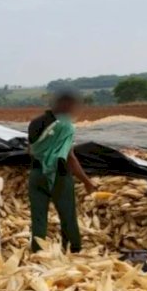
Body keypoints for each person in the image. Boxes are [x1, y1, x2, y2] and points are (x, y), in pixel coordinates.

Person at [28, 90, 96, 253]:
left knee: (38, 217)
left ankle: (37, 252)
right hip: (59, 174)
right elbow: (70, 157)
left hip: (37, 174)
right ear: (65, 105)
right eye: (74, 105)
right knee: (67, 214)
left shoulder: (35, 123)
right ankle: (74, 249)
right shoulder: (65, 126)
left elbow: (30, 150)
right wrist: (87, 181)